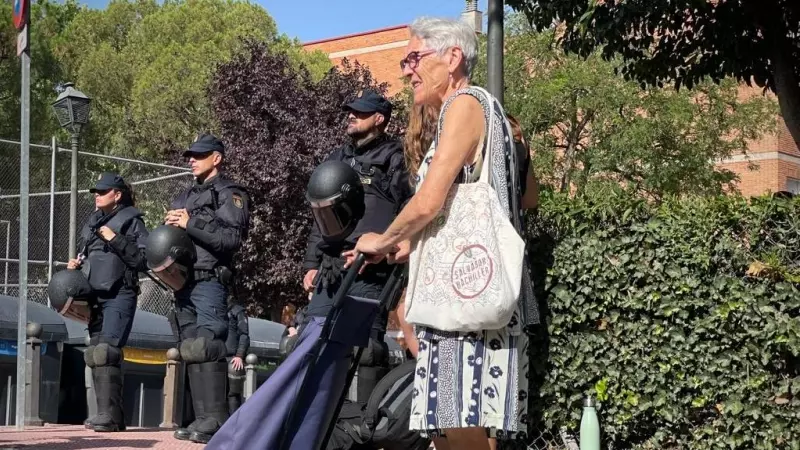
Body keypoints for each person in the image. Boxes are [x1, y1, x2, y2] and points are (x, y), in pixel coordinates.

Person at [352, 17, 539, 450]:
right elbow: (527, 200)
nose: (406, 70)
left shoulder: (463, 105)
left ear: (453, 57)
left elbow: (430, 199)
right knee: (469, 426)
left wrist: (380, 239)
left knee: (457, 421)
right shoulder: (499, 119)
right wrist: (408, 241)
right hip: (489, 292)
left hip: (460, 300)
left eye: (414, 57)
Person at [205, 90, 414, 450]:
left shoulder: (395, 159)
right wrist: (311, 263)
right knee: (308, 346)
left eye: (359, 113)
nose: (350, 116)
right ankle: (301, 437)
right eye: (349, 111)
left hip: (371, 270)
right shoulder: (338, 158)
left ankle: (359, 437)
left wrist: (392, 247)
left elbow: (410, 211)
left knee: (366, 353)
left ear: (379, 118)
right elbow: (319, 214)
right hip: (333, 269)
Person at [165, 133, 251, 444]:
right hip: (182, 281)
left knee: (208, 345)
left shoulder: (231, 194)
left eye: (199, 155)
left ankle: (216, 419)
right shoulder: (185, 196)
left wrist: (189, 224)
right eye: (190, 155)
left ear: (217, 158)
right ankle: (198, 418)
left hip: (211, 279)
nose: (191, 159)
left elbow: (231, 240)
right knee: (190, 348)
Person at [69, 172, 149, 433]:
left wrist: (115, 238)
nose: (97, 195)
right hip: (95, 296)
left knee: (107, 351)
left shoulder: (131, 221)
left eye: (102, 192)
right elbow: (86, 255)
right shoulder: (92, 222)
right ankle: (109, 415)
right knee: (95, 353)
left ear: (117, 195)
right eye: (96, 191)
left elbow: (142, 261)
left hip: (120, 293)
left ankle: (109, 416)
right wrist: (76, 264)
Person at [225, 298, 250, 415]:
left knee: (233, 393)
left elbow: (244, 334)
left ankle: (233, 423)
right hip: (218, 356)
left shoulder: (237, 311)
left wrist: (240, 355)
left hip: (233, 358)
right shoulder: (216, 309)